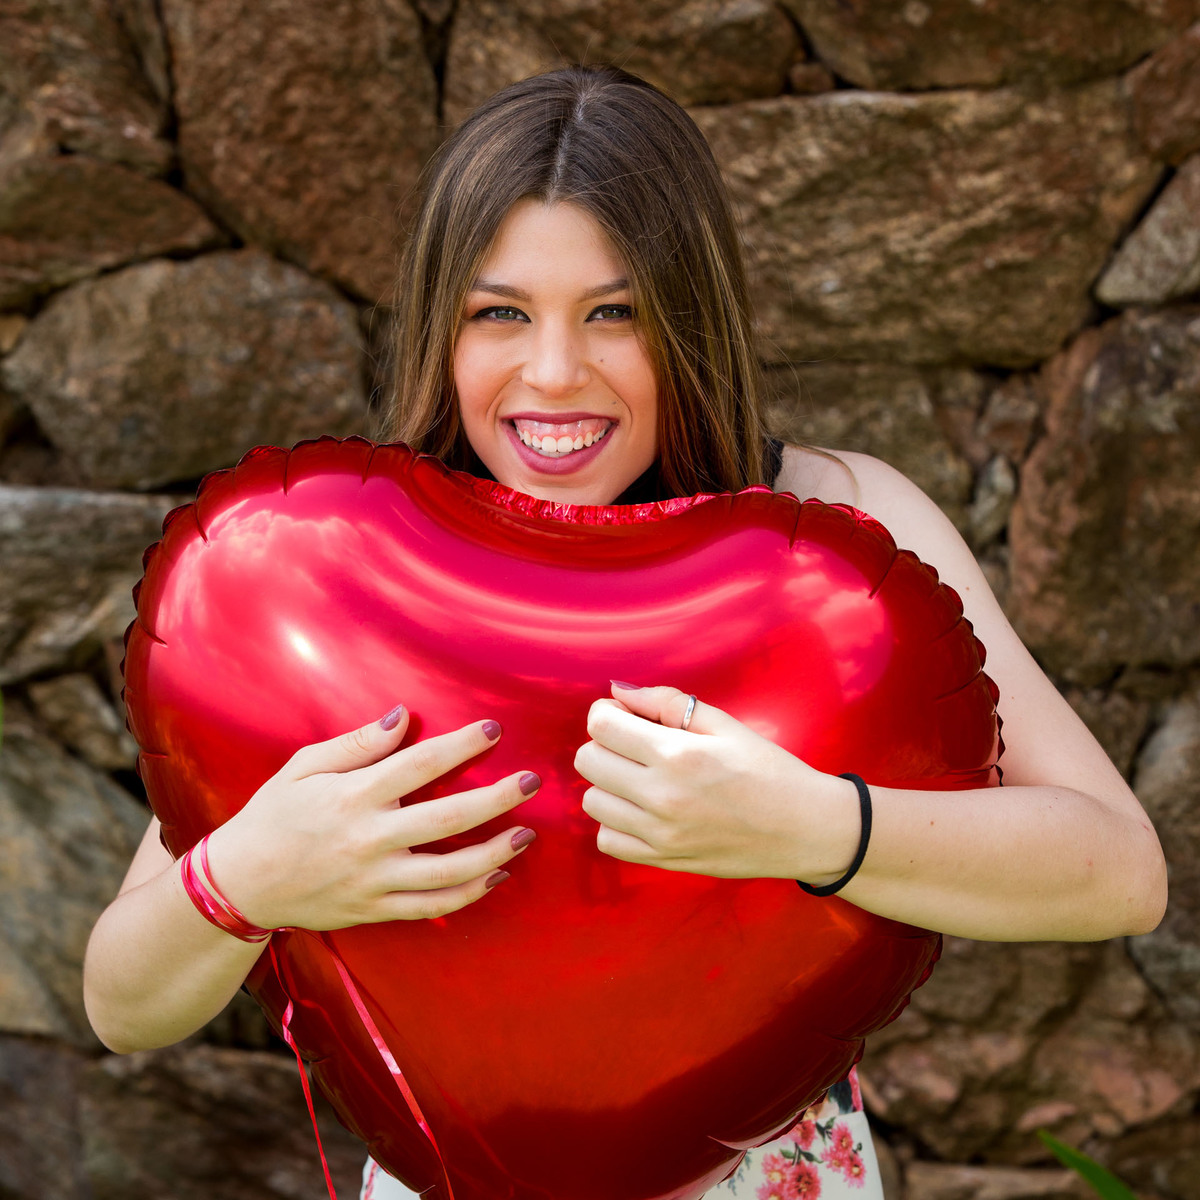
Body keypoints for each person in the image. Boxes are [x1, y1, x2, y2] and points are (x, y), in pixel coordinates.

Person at [84, 65, 1167, 1200]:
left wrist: (816, 827)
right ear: (438, 327)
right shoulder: (333, 587)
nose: (554, 373)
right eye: (499, 313)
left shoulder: (845, 539)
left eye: (617, 312)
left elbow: (1118, 873)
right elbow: (122, 1004)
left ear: (690, 318)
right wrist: (247, 877)